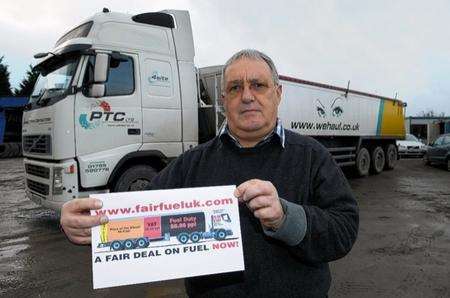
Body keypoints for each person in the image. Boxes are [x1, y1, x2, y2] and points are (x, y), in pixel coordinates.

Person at [61, 49, 359, 297]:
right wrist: (85, 223)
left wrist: (286, 217)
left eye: (258, 85)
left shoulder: (311, 156)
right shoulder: (191, 164)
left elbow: (344, 229)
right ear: (224, 98)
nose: (246, 96)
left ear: (278, 94)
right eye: (235, 88)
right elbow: (134, 219)